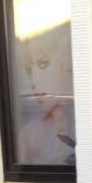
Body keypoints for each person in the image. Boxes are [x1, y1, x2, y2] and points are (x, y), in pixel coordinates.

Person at [17, 28, 76, 165]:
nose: (34, 81)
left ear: (65, 65)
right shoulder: (29, 136)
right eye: (30, 70)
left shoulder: (89, 124)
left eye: (43, 64)